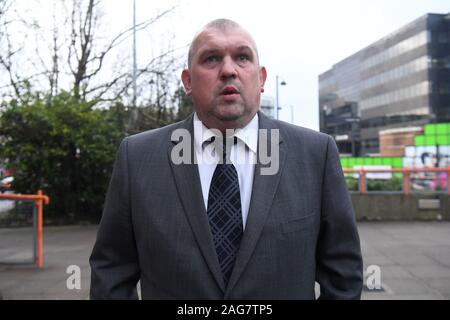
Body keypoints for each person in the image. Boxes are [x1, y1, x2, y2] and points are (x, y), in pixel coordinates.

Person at [89, 19, 363, 300]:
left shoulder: (316, 155)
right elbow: (111, 272)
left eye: (242, 58)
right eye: (211, 59)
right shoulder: (137, 158)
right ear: (187, 81)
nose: (229, 70)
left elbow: (343, 274)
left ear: (262, 78)